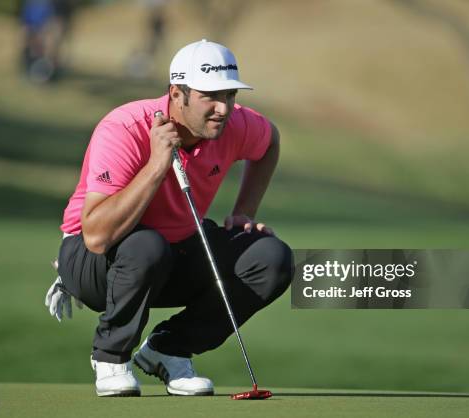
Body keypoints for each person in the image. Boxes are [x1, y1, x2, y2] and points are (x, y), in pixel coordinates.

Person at [45, 39, 294, 397]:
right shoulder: (125, 128)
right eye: (210, 96)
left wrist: (244, 213)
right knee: (147, 245)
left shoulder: (233, 124)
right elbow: (97, 236)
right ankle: (111, 357)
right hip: (94, 261)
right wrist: (157, 165)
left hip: (172, 253)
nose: (223, 109)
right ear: (178, 94)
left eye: (229, 95)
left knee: (271, 257)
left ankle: (169, 349)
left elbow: (270, 142)